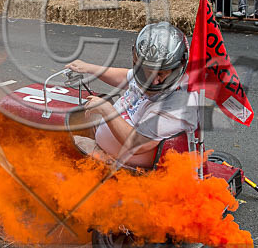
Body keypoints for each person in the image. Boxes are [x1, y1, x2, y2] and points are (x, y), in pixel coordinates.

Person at [64, 22, 197, 168]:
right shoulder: (146, 72)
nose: (153, 81)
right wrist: (90, 68)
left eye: (161, 73)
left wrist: (107, 111)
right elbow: (125, 77)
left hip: (127, 168)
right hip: (107, 146)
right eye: (147, 72)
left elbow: (137, 144)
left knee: (60, 147)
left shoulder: (179, 104)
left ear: (177, 68)